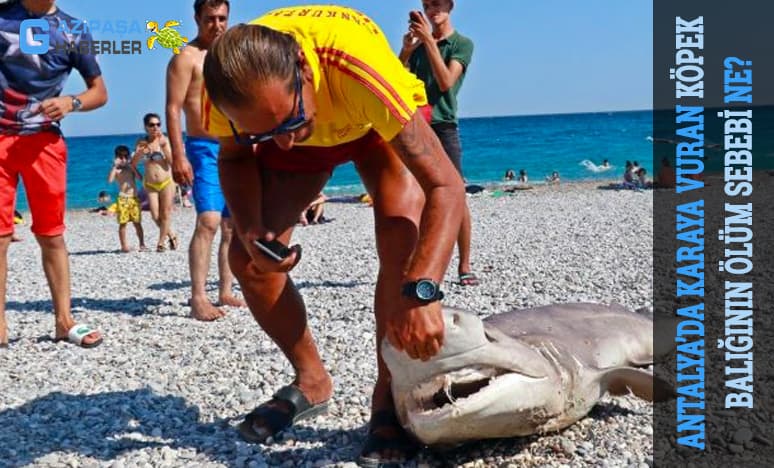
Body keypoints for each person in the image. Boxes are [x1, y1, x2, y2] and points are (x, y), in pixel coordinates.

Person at [201, 5, 465, 464]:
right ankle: (311, 380)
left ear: (304, 70)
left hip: (373, 122)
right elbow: (237, 157)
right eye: (264, 133)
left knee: (403, 251)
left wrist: (424, 292)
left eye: (284, 123)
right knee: (250, 261)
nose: (281, 142)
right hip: (310, 122)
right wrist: (249, 229)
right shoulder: (230, 91)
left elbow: (446, 184)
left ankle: (386, 400)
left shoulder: (358, 71)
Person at [0, 0, 107, 348]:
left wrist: (71, 103)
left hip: (44, 143)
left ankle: (64, 320)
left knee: (51, 235)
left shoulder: (74, 29)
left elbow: (99, 93)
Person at [168, 0, 244, 321]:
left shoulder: (233, 56)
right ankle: (198, 296)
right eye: (210, 18)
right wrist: (178, 156)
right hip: (201, 147)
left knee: (231, 225)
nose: (217, 24)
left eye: (222, 18)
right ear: (197, 17)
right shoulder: (185, 58)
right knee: (209, 221)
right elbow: (173, 109)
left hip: (234, 146)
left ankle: (225, 289)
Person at [400, 0, 478, 287]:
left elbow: (446, 82)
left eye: (438, 4)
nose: (433, 10)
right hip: (418, 125)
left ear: (450, 6)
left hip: (444, 125)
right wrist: (407, 51)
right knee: (417, 195)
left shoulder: (462, 44)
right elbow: (398, 81)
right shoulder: (420, 44)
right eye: (428, 5)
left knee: (456, 195)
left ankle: (464, 264)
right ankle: (420, 263)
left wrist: (429, 43)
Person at [131, 113, 179, 252]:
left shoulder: (164, 140)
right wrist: (140, 153)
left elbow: (171, 162)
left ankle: (161, 242)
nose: (155, 127)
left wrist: (163, 148)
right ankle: (172, 235)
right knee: (155, 215)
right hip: (150, 184)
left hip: (166, 181)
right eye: (152, 125)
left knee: (165, 213)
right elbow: (133, 164)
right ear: (146, 127)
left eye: (158, 124)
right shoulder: (141, 142)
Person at [107, 145, 146, 252]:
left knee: (137, 223)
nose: (124, 160)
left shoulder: (130, 168)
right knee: (123, 223)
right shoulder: (116, 170)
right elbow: (110, 181)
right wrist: (114, 167)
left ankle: (142, 244)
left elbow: (140, 179)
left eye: (126, 157)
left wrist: (133, 166)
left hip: (134, 198)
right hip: (123, 199)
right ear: (116, 158)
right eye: (121, 157)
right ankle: (124, 246)